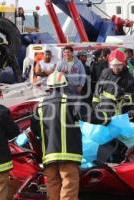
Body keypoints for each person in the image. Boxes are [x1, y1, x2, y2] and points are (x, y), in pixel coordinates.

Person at [30, 72, 82, 200]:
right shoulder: (71, 101)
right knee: (69, 184)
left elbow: (34, 129)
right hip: (69, 154)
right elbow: (89, 117)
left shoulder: (40, 105)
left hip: (49, 155)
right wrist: (107, 120)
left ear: (49, 87)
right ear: (64, 86)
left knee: (52, 185)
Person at [92, 49, 134, 125]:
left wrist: (124, 96)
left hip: (121, 116)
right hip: (104, 115)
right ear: (109, 64)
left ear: (124, 64)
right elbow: (97, 92)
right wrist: (95, 107)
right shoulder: (105, 73)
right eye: (113, 65)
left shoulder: (130, 79)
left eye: (119, 65)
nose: (116, 68)